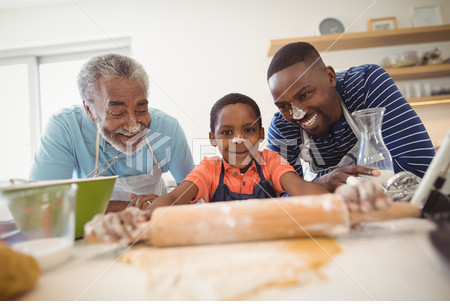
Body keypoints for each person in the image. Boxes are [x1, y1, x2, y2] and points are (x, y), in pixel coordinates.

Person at [84, 93, 389, 244]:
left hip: (273, 243)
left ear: (261, 135)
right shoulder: (209, 169)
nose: (239, 140)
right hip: (222, 246)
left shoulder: (270, 161)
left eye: (249, 130)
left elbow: (304, 190)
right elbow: (174, 199)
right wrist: (139, 217)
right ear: (213, 139)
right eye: (227, 133)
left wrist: (343, 199)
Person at [29, 53, 194, 211]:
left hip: (155, 226)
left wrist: (159, 207)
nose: (133, 126)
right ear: (90, 110)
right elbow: (40, 203)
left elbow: (194, 197)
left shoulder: (168, 129)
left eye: (141, 109)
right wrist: (131, 208)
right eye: (117, 113)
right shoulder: (65, 128)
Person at [266, 42, 436, 192]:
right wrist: (324, 183)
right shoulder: (282, 126)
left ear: (330, 77)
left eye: (304, 95)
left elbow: (419, 167)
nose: (298, 113)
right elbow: (277, 199)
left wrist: (315, 187)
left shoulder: (365, 84)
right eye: (284, 106)